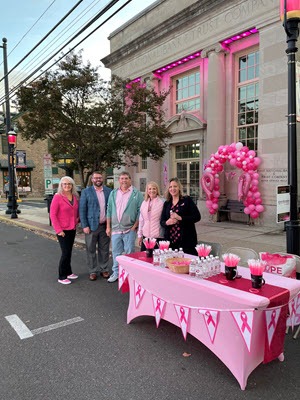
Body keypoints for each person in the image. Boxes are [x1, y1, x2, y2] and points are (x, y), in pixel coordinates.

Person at [106, 171, 144, 282]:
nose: (124, 180)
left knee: (129, 253)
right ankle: (116, 273)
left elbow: (140, 212)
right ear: (119, 180)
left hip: (129, 229)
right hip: (116, 229)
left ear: (130, 180)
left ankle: (128, 274)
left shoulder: (136, 194)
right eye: (122, 178)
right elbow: (109, 210)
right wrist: (108, 227)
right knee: (116, 253)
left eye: (126, 178)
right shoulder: (113, 193)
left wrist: (135, 226)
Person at [79, 172, 112, 281]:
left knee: (104, 249)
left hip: (104, 226)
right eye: (96, 178)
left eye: (100, 177)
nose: (98, 179)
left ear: (102, 179)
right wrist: (84, 225)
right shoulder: (86, 192)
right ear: (92, 179)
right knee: (91, 249)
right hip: (91, 226)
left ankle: (104, 269)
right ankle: (92, 271)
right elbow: (82, 210)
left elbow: (111, 209)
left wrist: (110, 225)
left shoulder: (108, 191)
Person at [50, 176, 80, 285]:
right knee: (65, 252)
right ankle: (62, 276)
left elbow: (76, 211)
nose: (67, 186)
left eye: (69, 184)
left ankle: (69, 272)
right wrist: (58, 230)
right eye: (65, 184)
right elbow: (53, 215)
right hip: (62, 230)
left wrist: (77, 220)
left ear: (72, 185)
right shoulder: (58, 197)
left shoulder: (74, 197)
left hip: (72, 228)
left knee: (69, 251)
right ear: (61, 185)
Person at [160, 177, 201, 255]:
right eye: (170, 187)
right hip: (171, 241)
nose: (173, 189)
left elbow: (197, 217)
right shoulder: (167, 203)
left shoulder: (187, 200)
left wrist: (181, 218)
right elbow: (162, 221)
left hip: (186, 240)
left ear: (179, 187)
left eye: (175, 186)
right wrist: (167, 223)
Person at [137, 181, 164, 250]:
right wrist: (140, 235)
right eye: (150, 189)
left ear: (157, 190)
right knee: (144, 258)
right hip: (146, 236)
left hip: (158, 236)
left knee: (156, 259)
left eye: (154, 188)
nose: (152, 191)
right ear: (147, 190)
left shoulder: (162, 202)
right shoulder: (144, 203)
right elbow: (141, 220)